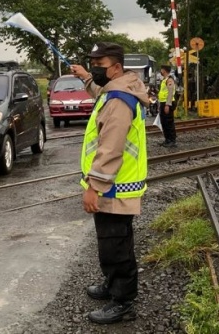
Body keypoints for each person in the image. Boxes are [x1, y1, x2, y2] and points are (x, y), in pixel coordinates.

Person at [70, 42, 149, 325]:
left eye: (99, 65)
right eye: (92, 64)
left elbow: (110, 148)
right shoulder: (118, 89)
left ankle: (123, 301)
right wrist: (85, 77)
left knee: (115, 246)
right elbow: (100, 90)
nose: (95, 69)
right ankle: (111, 284)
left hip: (114, 188)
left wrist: (94, 187)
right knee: (111, 242)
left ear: (116, 67)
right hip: (115, 186)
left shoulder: (118, 100)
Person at [158, 65, 177, 147]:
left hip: (168, 103)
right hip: (163, 103)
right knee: (164, 122)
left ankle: (172, 140)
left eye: (161, 69)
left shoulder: (169, 79)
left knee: (169, 122)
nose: (161, 71)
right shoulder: (164, 80)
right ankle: (167, 140)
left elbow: (170, 92)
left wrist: (167, 104)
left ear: (164, 70)